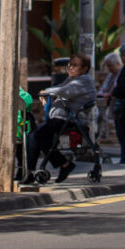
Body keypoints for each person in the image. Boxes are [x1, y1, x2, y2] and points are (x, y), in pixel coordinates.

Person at [26, 53, 96, 183]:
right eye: (70, 65)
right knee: (35, 137)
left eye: (75, 65)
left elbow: (65, 91)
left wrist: (47, 92)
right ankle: (59, 166)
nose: (70, 68)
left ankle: (33, 172)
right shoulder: (72, 79)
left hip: (70, 119)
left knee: (36, 136)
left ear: (85, 68)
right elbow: (60, 88)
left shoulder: (84, 80)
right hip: (61, 118)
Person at [96, 52, 122, 142]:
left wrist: (108, 94)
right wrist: (100, 94)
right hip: (110, 105)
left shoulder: (122, 74)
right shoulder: (111, 75)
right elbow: (104, 88)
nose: (109, 68)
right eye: (108, 66)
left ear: (118, 64)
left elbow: (116, 89)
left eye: (110, 66)